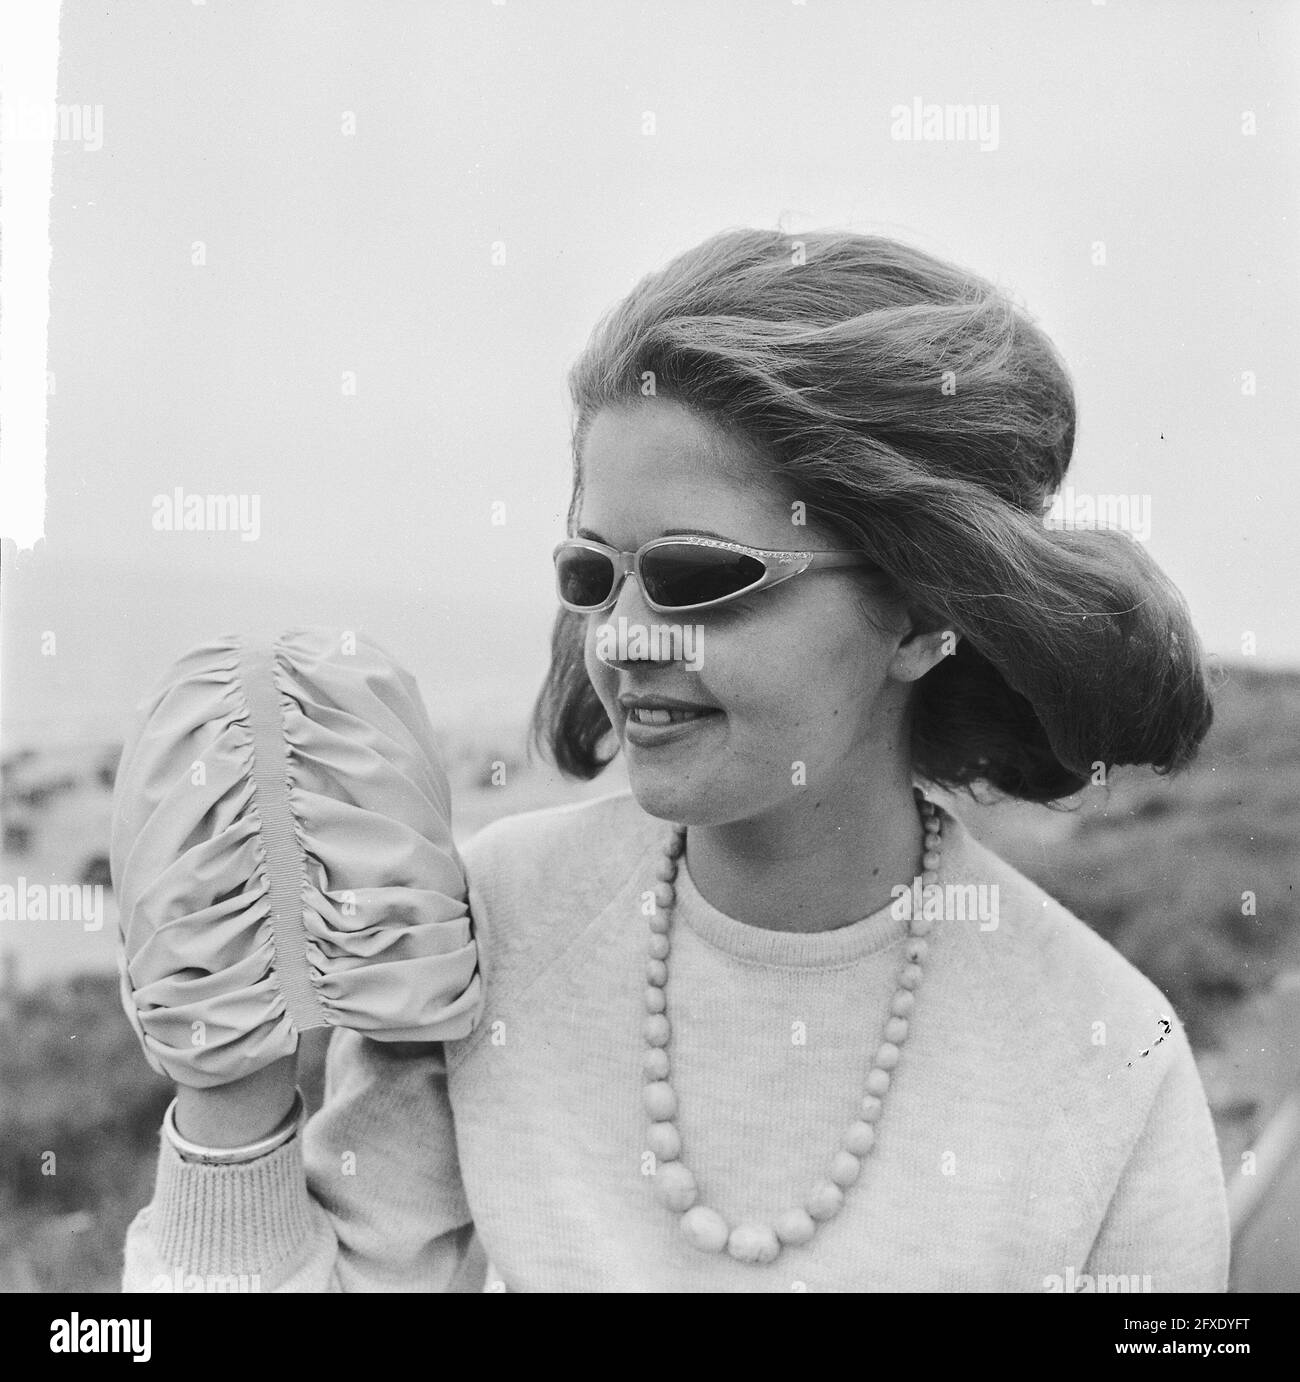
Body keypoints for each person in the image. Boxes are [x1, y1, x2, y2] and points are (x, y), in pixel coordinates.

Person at [121, 228, 1228, 1292]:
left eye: (699, 576)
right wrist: (229, 1097)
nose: (620, 639)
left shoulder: (1109, 1061)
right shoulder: (488, 930)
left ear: (919, 614)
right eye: (593, 576)